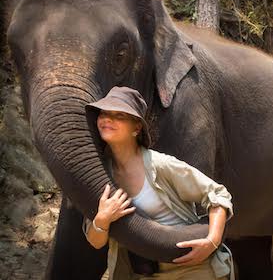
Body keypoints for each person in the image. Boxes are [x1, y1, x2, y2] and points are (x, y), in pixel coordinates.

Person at [82, 86, 235, 280]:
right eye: (104, 113)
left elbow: (219, 195)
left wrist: (212, 241)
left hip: (193, 267)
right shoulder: (99, 175)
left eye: (119, 115)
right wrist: (102, 219)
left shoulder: (159, 165)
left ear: (136, 128)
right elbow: (96, 242)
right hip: (144, 272)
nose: (107, 119)